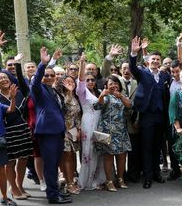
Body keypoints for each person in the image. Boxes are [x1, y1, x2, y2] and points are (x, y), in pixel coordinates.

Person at [129, 37, 171, 189]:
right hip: (147, 116)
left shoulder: (165, 76)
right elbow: (132, 68)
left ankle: (156, 173)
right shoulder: (142, 73)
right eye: (153, 59)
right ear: (148, 61)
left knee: (158, 146)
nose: (155, 61)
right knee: (146, 147)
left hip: (161, 116)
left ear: (160, 62)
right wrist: (134, 53)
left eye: (158, 59)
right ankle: (147, 177)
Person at [31, 47, 71, 204]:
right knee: (50, 165)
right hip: (47, 132)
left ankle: (55, 191)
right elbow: (35, 80)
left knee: (54, 164)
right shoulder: (38, 89)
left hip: (58, 132)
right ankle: (53, 196)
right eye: (46, 75)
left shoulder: (54, 90)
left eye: (51, 75)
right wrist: (43, 63)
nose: (48, 77)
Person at [0, 57, 33, 200]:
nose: (4, 79)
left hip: (22, 130)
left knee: (23, 159)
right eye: (0, 78)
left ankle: (19, 185)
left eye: (6, 77)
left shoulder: (18, 91)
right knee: (10, 161)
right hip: (8, 132)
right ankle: (14, 189)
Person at [94, 75, 132, 191]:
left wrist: (121, 97)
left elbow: (129, 106)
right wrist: (101, 95)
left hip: (120, 130)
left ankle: (120, 179)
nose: (114, 86)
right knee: (108, 156)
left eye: (116, 83)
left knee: (122, 155)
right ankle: (109, 181)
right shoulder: (105, 96)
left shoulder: (122, 96)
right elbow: (97, 106)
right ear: (106, 86)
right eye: (111, 84)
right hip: (107, 130)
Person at [76, 54, 106, 191]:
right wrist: (82, 63)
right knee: (88, 152)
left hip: (99, 122)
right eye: (87, 80)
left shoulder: (98, 91)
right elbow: (80, 80)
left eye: (92, 80)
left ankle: (98, 180)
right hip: (88, 123)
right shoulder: (82, 92)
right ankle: (86, 181)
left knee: (98, 151)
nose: (89, 82)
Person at [57, 75, 82, 194]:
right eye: (67, 82)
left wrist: (78, 129)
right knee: (66, 156)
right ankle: (69, 184)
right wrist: (69, 93)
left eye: (72, 82)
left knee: (72, 156)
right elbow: (62, 109)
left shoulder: (75, 97)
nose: (70, 83)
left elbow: (77, 115)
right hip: (63, 131)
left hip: (73, 131)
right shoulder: (60, 96)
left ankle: (71, 180)